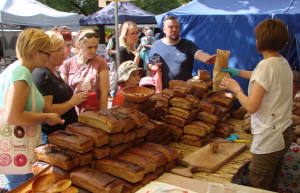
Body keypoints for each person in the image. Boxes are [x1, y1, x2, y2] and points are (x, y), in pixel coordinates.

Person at [220, 19, 293, 191]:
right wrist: (238, 72)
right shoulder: (281, 62)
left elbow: (251, 107)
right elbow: (263, 77)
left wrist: (236, 89)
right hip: (283, 133)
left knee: (257, 187)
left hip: (270, 139)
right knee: (271, 185)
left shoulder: (265, 66)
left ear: (261, 41)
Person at [0, 28, 64, 190]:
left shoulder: (16, 69)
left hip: (16, 148)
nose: (49, 57)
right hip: (18, 149)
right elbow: (13, 116)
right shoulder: (21, 72)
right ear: (35, 52)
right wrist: (46, 117)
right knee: (22, 186)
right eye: (47, 53)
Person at [32, 31, 88, 143]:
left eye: (63, 48)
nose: (64, 53)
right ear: (47, 52)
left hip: (65, 133)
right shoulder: (42, 74)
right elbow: (48, 110)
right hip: (53, 136)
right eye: (59, 49)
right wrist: (72, 102)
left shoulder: (54, 72)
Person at [148, 15, 216, 89]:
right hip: (163, 92)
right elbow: (149, 64)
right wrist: (152, 67)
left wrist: (207, 58)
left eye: (177, 27)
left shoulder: (188, 44)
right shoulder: (156, 45)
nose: (174, 29)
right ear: (164, 29)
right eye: (171, 27)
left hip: (184, 93)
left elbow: (199, 53)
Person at [59, 29, 109, 113]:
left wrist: (103, 114)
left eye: (95, 47)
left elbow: (104, 92)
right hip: (73, 112)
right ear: (79, 45)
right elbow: (63, 93)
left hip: (94, 113)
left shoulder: (101, 62)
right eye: (89, 47)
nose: (93, 51)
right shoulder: (67, 64)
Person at [106, 24, 122, 100]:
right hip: (114, 60)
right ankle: (110, 92)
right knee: (113, 76)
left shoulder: (124, 38)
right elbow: (108, 49)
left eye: (122, 28)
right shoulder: (113, 38)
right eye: (119, 28)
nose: (120, 30)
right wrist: (116, 52)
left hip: (122, 60)